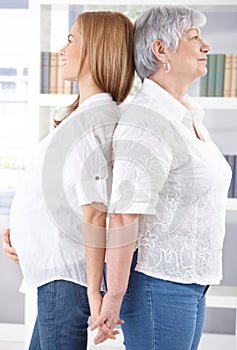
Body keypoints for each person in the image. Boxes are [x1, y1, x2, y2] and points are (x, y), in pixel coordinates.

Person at [90, 6, 232, 349]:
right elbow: (124, 214)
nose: (206, 46)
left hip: (191, 283)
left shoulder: (187, 115)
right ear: (160, 50)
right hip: (158, 284)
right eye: (194, 38)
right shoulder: (148, 120)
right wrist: (114, 297)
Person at [1, 11, 134, 349]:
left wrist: (93, 291)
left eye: (71, 40)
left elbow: (95, 212)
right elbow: (65, 196)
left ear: (96, 49)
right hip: (57, 275)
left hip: (67, 280)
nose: (61, 49)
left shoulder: (92, 122)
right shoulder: (86, 116)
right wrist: (23, 234)